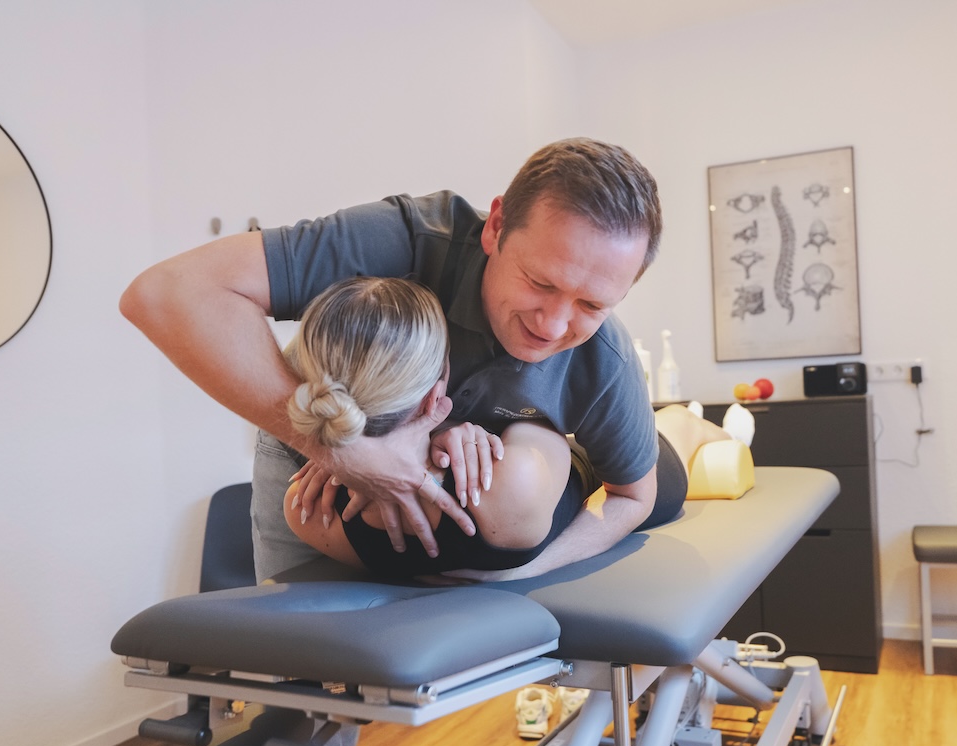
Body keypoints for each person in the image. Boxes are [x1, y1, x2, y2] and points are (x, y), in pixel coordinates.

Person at [121, 137, 676, 586]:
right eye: (540, 282)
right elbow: (167, 293)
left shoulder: (604, 361)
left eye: (591, 305)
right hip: (318, 446)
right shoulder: (406, 240)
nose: (552, 326)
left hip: (507, 466)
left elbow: (634, 495)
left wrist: (527, 571)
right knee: (297, 668)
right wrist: (342, 451)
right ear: (496, 227)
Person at [279, 275, 735, 579]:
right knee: (676, 431)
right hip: (585, 471)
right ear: (437, 393)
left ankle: (707, 425)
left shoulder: (305, 510)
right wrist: (456, 430)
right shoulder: (515, 476)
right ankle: (696, 422)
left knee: (672, 423)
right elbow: (558, 437)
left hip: (564, 473)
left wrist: (426, 435)